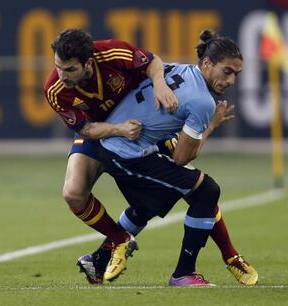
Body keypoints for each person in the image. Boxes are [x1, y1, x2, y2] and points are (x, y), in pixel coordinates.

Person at [80, 29, 256, 286]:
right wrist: (210, 127)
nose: (231, 80)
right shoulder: (203, 103)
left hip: (117, 143)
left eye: (236, 75)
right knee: (205, 190)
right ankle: (184, 273)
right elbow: (181, 158)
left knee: (151, 205)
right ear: (207, 64)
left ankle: (97, 260)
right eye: (227, 71)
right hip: (125, 153)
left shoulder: (179, 69)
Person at [44, 29, 179, 282]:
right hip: (103, 131)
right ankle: (119, 240)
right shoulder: (55, 89)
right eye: (58, 67)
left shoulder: (112, 52)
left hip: (145, 126)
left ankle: (196, 266)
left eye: (70, 69)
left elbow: (153, 61)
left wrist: (160, 85)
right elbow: (84, 128)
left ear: (88, 62)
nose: (62, 75)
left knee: (182, 183)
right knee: (73, 193)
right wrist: (118, 129)